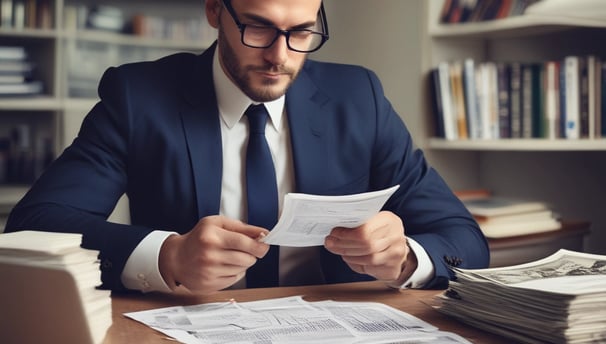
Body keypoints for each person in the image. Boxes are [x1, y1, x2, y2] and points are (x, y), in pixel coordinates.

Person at [5, 0, 489, 294]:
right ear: (215, 10)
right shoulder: (138, 97)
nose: (280, 57)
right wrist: (167, 256)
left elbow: (462, 237)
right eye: (258, 27)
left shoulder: (358, 97)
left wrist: (406, 256)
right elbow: (36, 224)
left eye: (301, 32)